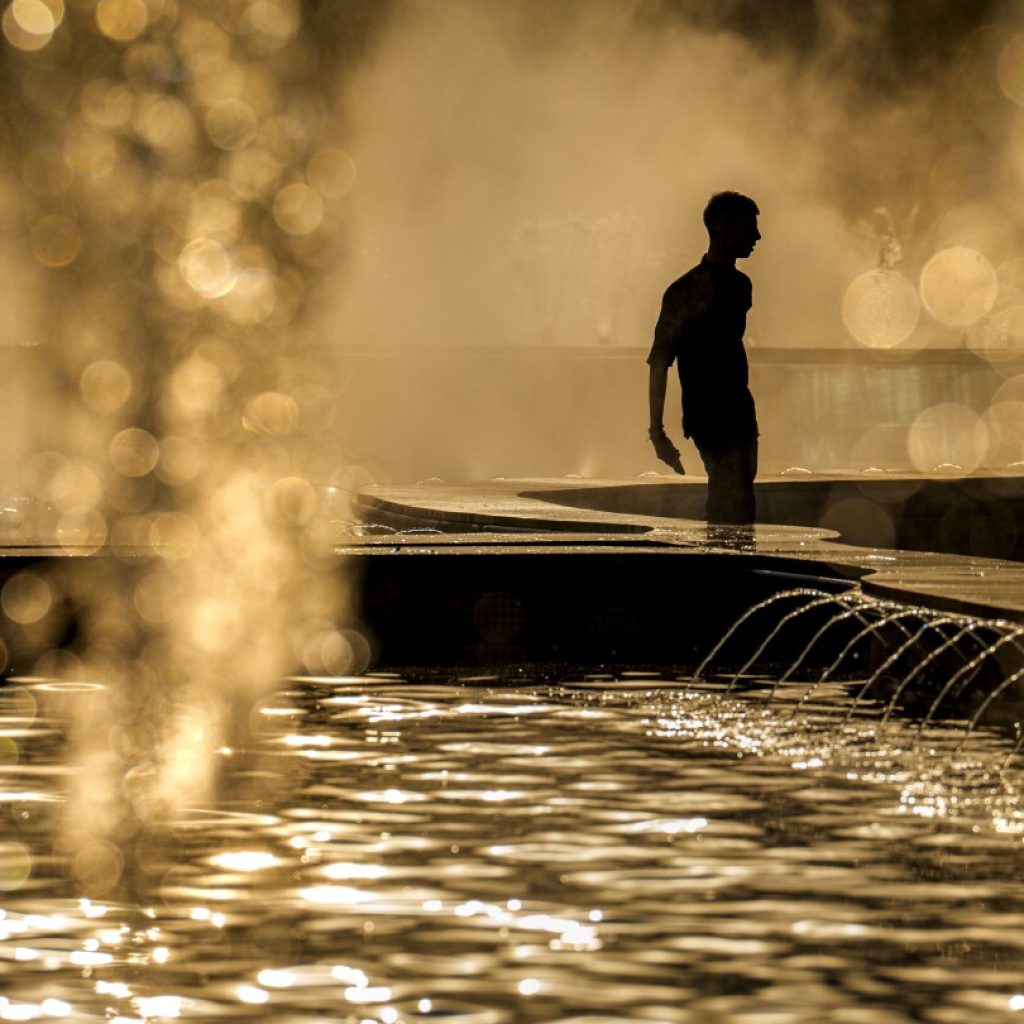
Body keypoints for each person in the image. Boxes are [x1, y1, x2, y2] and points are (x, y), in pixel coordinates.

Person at [646, 191, 761, 525]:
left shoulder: (741, 286)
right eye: (749, 228)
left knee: (740, 497)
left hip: (740, 410)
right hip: (710, 414)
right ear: (723, 228)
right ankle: (728, 564)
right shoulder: (685, 292)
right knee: (731, 497)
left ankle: (732, 562)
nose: (757, 236)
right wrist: (657, 432)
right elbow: (659, 361)